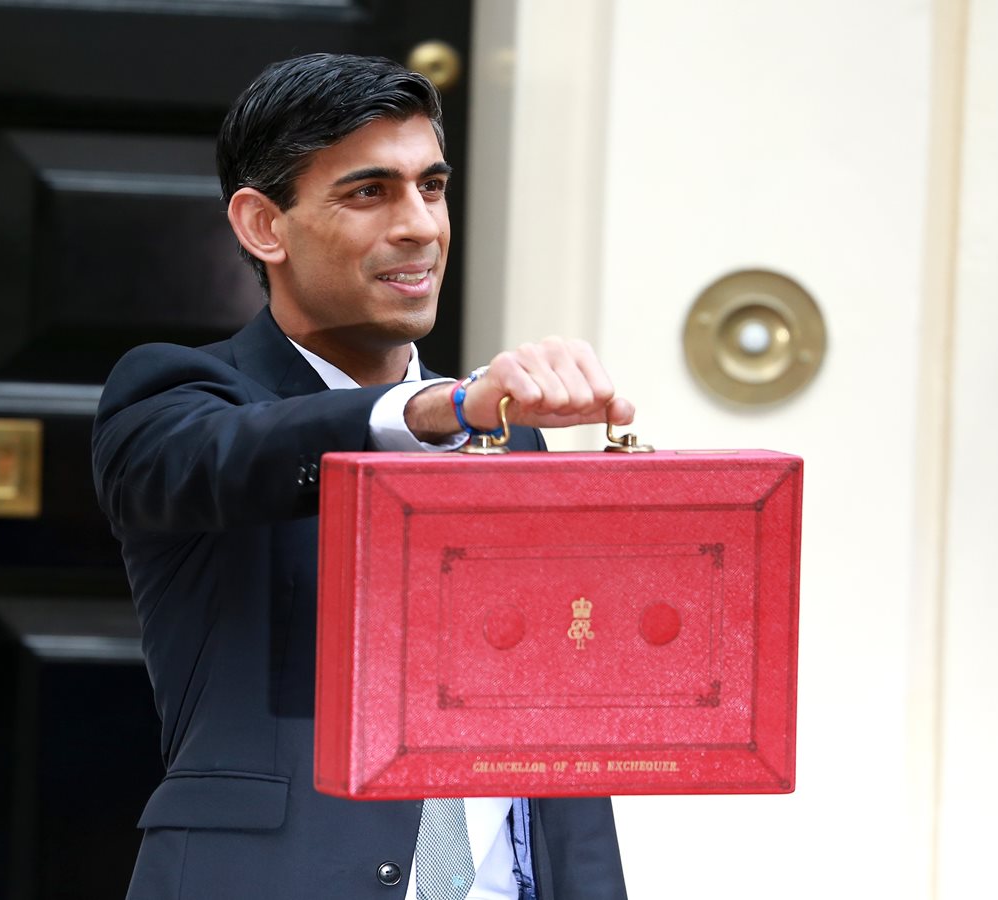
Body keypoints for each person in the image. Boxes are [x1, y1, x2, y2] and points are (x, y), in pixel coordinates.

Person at [93, 53, 630, 900]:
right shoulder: (177, 399)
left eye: (433, 187)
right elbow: (235, 456)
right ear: (263, 225)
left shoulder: (508, 436)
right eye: (369, 192)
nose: (419, 225)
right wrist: (433, 411)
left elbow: (555, 720)